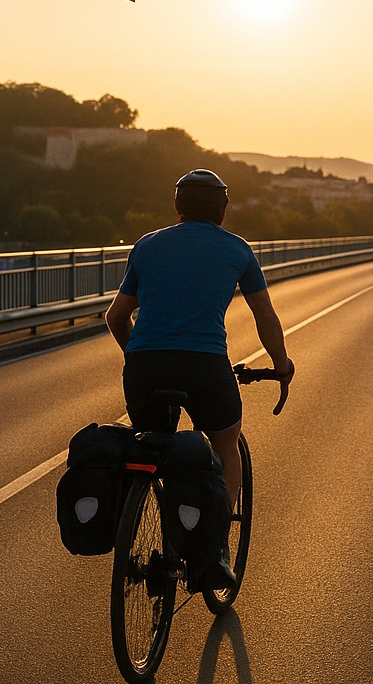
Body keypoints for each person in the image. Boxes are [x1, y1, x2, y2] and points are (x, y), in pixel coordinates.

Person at [104, 168, 294, 586]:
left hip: (144, 366)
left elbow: (116, 317)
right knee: (226, 444)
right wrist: (281, 365)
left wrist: (140, 356)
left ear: (177, 207)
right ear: (223, 210)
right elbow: (266, 317)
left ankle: (156, 527)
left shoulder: (147, 246)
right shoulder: (238, 250)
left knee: (155, 446)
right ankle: (212, 550)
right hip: (204, 365)